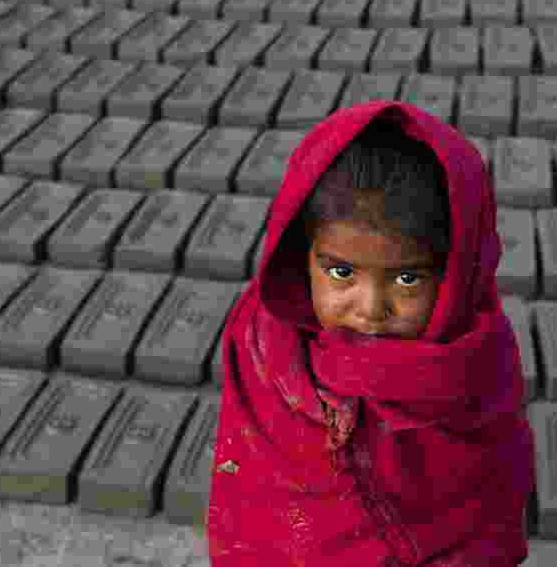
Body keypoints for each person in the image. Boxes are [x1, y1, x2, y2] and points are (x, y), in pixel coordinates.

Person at [206, 100, 535, 566]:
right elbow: (252, 505)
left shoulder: (474, 364)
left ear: (458, 273)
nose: (370, 309)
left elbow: (490, 505)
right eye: (341, 272)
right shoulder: (264, 350)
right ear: (303, 258)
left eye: (407, 279)